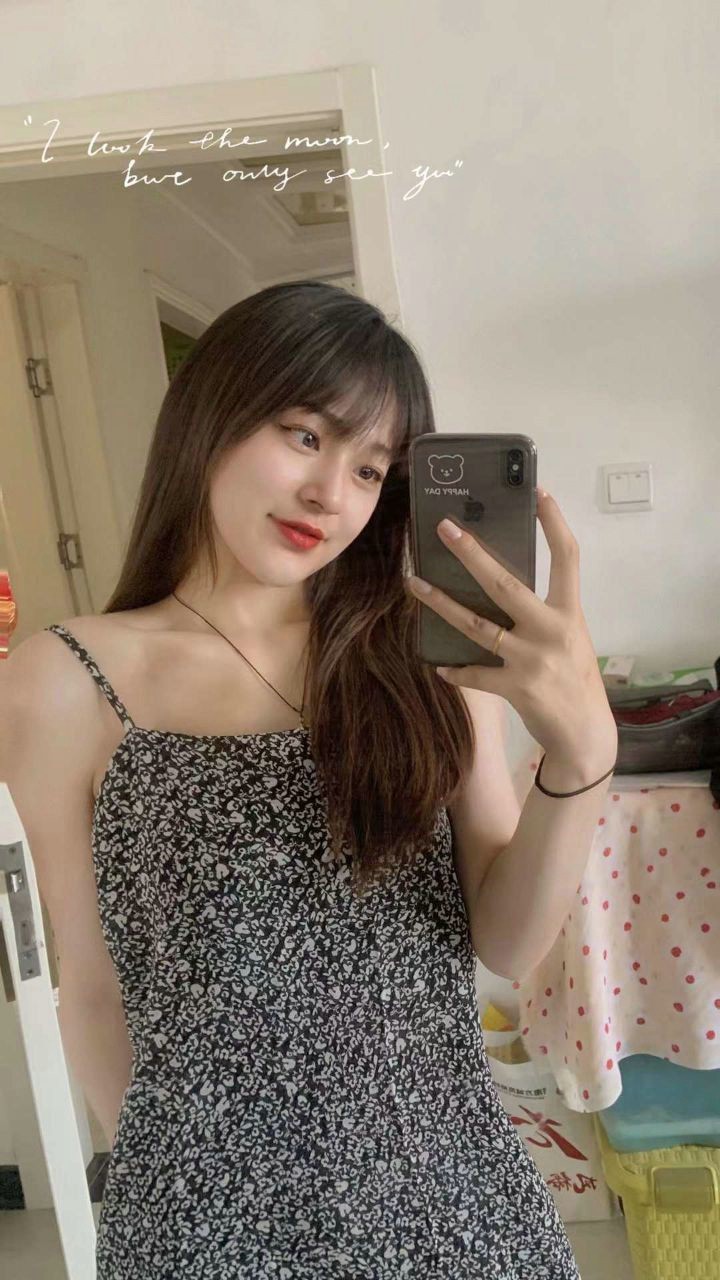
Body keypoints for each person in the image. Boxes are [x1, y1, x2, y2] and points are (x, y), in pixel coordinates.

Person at [2, 281, 600, 1277]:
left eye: (369, 468)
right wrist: (181, 1203)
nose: (331, 493)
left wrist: (583, 757)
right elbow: (93, 989)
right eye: (305, 435)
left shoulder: (423, 657)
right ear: (212, 414)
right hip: (205, 1224)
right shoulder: (62, 682)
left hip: (450, 1198)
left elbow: (506, 939)